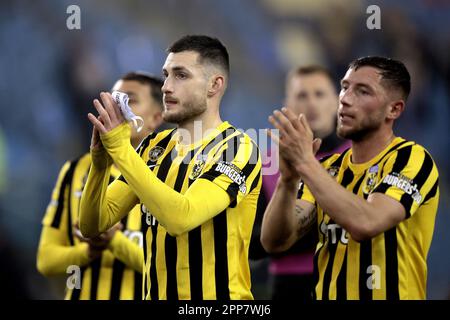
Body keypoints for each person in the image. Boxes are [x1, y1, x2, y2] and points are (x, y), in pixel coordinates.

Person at [79, 35, 262, 300]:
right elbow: (93, 224)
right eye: (166, 75)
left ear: (214, 85)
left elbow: (181, 218)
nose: (165, 87)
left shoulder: (237, 148)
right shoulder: (154, 148)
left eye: (181, 76)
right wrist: (100, 165)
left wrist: (121, 150)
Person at [261, 56, 440, 300]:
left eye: (363, 91)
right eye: (344, 88)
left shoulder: (411, 159)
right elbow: (275, 241)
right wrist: (289, 181)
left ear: (394, 109)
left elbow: (367, 222)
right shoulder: (327, 167)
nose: (345, 99)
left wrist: (305, 163)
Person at [37, 71, 164, 300]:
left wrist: (115, 242)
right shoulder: (74, 171)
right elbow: (46, 261)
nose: (119, 107)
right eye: (115, 99)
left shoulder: (168, 177)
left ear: (156, 118)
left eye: (131, 100)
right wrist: (88, 251)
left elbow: (169, 268)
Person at [263, 65, 350, 300]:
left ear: (336, 102)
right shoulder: (267, 163)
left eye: (319, 94)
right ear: (288, 103)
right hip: (287, 287)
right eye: (302, 95)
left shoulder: (357, 157)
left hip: (343, 279)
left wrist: (281, 233)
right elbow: (252, 240)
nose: (311, 103)